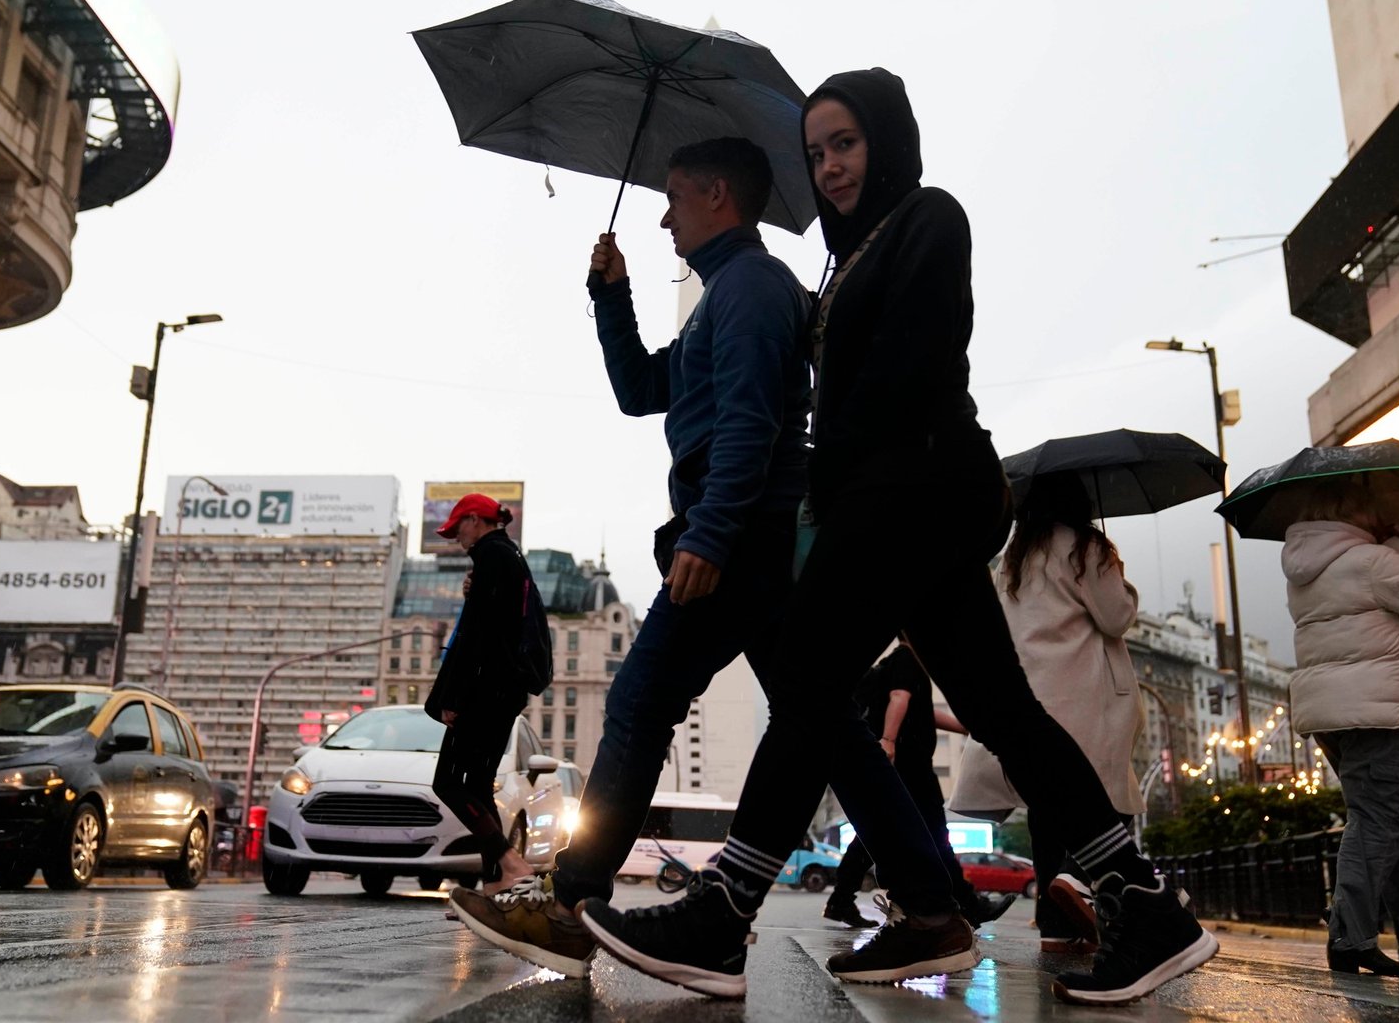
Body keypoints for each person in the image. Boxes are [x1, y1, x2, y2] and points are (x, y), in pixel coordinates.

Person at [578, 69, 1215, 1004]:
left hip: (907, 493)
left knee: (803, 683)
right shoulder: (844, 259)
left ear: (886, 139)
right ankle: (1141, 901)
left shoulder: (927, 219)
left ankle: (725, 913)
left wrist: (825, 500)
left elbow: (907, 373)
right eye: (816, 153)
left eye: (846, 143)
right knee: (1003, 713)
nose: (831, 167)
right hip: (894, 500)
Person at [449, 137, 816, 978]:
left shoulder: (753, 287)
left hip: (743, 534)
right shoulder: (724, 295)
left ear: (718, 195)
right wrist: (611, 298)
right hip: (742, 532)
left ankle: (572, 900)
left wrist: (711, 532)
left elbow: (752, 423)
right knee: (823, 721)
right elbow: (642, 391)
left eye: (676, 197)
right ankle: (932, 894)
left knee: (645, 694)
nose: (662, 214)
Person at [1282, 479, 1399, 976]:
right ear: (1358, 513)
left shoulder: (1306, 571)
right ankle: (1350, 936)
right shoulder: (1372, 561)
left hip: (1331, 709)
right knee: (1380, 820)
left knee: (1390, 816)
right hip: (1374, 704)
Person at [952, 473, 1144, 953]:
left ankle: (1056, 927)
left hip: (1031, 694)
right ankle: (1076, 880)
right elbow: (1115, 617)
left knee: (1047, 808)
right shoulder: (1087, 548)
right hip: (1082, 692)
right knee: (1107, 801)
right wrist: (1121, 578)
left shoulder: (1016, 556)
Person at [823, 638, 1010, 931]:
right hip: (911, 766)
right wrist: (888, 740)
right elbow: (900, 698)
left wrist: (965, 728)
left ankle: (840, 899)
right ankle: (969, 906)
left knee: (876, 831)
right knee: (935, 833)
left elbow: (921, 711)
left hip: (900, 764)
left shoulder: (892, 665)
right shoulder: (909, 660)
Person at [424, 492, 538, 895]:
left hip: (483, 689)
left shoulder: (492, 558)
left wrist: (449, 697)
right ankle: (495, 884)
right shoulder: (510, 557)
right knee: (478, 783)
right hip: (505, 689)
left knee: (450, 783)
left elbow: (476, 637)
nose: (456, 537)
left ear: (476, 519)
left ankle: (511, 863)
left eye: (458, 528)